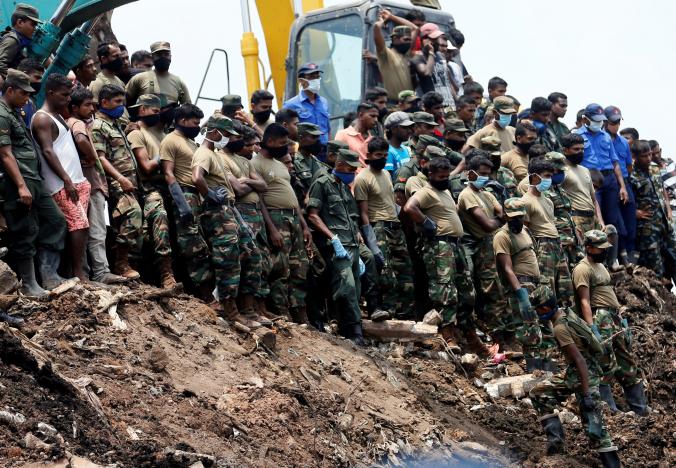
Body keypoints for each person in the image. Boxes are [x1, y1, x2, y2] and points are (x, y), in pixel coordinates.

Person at [527, 284, 622, 467]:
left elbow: (579, 360)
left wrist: (586, 394)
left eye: (538, 309)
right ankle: (556, 444)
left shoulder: (560, 328)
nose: (538, 313)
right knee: (539, 394)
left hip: (584, 375)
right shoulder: (566, 314)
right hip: (577, 373)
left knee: (596, 430)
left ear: (545, 308)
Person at [191, 113, 269, 328]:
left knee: (252, 255)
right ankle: (231, 312)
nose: (228, 138)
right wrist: (209, 194)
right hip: (218, 212)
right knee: (228, 260)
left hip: (229, 209)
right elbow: (197, 177)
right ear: (215, 132)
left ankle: (248, 310)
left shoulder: (214, 153)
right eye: (225, 134)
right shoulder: (204, 153)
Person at [0, 69, 66, 299]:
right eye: (23, 93)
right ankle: (29, 284)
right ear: (10, 90)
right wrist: (20, 186)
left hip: (34, 179)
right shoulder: (1, 113)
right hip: (19, 181)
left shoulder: (15, 112)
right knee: (25, 230)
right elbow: (5, 154)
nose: (27, 98)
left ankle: (48, 274)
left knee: (56, 220)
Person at [573, 229, 648, 418]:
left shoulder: (600, 266)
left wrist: (621, 320)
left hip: (613, 318)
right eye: (600, 249)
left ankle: (640, 410)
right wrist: (592, 328)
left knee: (627, 363)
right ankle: (611, 413)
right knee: (604, 364)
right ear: (589, 248)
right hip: (601, 318)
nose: (604, 251)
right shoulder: (582, 269)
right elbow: (584, 301)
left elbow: (608, 292)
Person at [403, 157, 476, 351]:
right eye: (441, 176)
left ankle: (466, 332)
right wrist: (426, 222)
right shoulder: (426, 192)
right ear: (431, 175)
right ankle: (447, 334)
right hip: (439, 246)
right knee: (445, 291)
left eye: (447, 176)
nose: (445, 179)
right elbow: (409, 207)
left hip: (455, 245)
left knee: (467, 291)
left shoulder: (445, 192)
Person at [31, 73, 90, 283]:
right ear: (51, 92)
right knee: (78, 224)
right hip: (60, 184)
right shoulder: (41, 118)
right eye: (64, 95)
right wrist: (66, 179)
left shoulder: (56, 115)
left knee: (78, 227)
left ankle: (73, 273)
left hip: (75, 181)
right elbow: (48, 152)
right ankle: (78, 274)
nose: (68, 99)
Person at [66, 87, 127, 285]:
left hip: (90, 185)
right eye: (87, 105)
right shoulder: (77, 123)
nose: (92, 108)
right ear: (75, 107)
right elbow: (81, 139)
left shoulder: (78, 122)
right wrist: (92, 157)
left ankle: (89, 273)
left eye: (92, 104)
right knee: (97, 231)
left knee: (89, 231)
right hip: (91, 186)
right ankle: (100, 272)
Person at [252, 123, 311, 321]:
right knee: (280, 268)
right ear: (270, 142)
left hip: (293, 217)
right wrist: (271, 229)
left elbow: (292, 196)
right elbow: (259, 200)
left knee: (299, 268)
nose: (285, 146)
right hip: (276, 218)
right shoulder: (256, 163)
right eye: (282, 143)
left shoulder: (279, 164)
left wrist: (304, 226)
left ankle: (300, 313)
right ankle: (281, 313)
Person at [307, 149, 365, 344]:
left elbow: (350, 216)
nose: (353, 173)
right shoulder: (322, 183)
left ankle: (347, 328)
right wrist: (333, 238)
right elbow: (313, 215)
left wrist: (356, 234)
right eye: (351, 169)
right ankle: (356, 332)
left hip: (352, 245)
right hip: (337, 247)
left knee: (355, 289)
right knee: (346, 286)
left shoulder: (343, 187)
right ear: (339, 165)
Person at [355, 137, 415, 320]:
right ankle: (388, 313)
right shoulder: (363, 179)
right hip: (378, 226)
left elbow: (391, 202)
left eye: (384, 155)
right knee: (386, 273)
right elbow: (363, 213)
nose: (382, 158)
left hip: (394, 226)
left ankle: (406, 315)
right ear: (369, 156)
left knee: (405, 270)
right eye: (378, 155)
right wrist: (371, 242)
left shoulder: (387, 174)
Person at [457, 155, 510, 352]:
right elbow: (488, 224)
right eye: (482, 174)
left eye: (488, 174)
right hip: (469, 244)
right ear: (470, 173)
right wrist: (499, 220)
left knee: (494, 289)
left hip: (486, 245)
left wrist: (499, 218)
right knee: (468, 287)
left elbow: (502, 212)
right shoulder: (467, 195)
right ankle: (467, 332)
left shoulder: (486, 194)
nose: (485, 178)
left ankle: (498, 336)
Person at [91, 84, 143, 280]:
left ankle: (128, 263)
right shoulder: (99, 126)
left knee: (130, 223)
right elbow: (101, 157)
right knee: (133, 214)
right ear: (104, 102)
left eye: (123, 102)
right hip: (116, 182)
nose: (122, 107)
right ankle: (121, 263)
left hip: (131, 182)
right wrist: (120, 178)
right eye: (117, 102)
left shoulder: (115, 125)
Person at [160, 103, 213, 296]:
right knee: (193, 247)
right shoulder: (170, 140)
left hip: (199, 196)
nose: (197, 126)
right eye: (195, 122)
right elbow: (168, 173)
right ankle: (205, 295)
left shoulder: (192, 143)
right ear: (182, 121)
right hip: (185, 194)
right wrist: (182, 204)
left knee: (205, 244)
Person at [126, 94, 177, 288]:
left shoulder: (162, 135)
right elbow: (146, 167)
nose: (159, 114)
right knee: (159, 219)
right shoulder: (136, 133)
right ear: (142, 110)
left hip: (168, 188)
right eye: (154, 111)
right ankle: (166, 274)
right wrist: (164, 155)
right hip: (148, 189)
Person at [493, 198, 545, 370]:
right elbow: (507, 268)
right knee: (528, 329)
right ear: (506, 217)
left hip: (535, 283)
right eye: (513, 217)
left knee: (542, 328)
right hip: (521, 284)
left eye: (520, 217)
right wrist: (521, 295)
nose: (517, 221)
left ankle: (544, 368)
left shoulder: (526, 231)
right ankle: (534, 369)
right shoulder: (502, 236)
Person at [522, 157, 574, 307]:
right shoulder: (526, 201)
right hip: (542, 245)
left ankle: (566, 321)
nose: (549, 180)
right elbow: (525, 230)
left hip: (556, 243)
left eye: (550, 176)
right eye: (546, 176)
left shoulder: (548, 200)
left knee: (565, 287)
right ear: (534, 177)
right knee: (546, 286)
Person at [574, 104, 628, 249]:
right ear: (585, 119)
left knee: (612, 217)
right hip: (590, 179)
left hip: (609, 179)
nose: (599, 123)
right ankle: (596, 251)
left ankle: (613, 258)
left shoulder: (605, 136)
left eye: (601, 120)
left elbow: (615, 162)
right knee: (595, 217)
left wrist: (622, 186)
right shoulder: (578, 136)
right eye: (596, 120)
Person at [630, 140, 676, 280]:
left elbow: (662, 191)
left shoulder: (655, 169)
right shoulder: (631, 176)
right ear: (635, 157)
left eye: (650, 154)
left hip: (665, 223)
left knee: (673, 258)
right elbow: (626, 202)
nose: (649, 158)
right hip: (648, 228)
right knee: (654, 267)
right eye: (645, 156)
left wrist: (668, 210)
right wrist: (635, 213)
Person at [604, 105, 636, 265]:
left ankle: (631, 262)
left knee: (630, 225)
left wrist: (624, 184)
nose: (616, 125)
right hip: (609, 183)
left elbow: (629, 165)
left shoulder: (623, 142)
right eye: (613, 122)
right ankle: (618, 261)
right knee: (617, 225)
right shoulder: (602, 139)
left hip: (624, 182)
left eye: (618, 122)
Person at [544, 152, 583, 267]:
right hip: (558, 242)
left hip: (571, 240)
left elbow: (567, 213)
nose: (561, 174)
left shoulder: (559, 188)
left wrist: (576, 232)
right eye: (558, 171)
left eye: (562, 171)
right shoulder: (543, 190)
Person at [125, 41, 191, 108]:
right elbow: (122, 101)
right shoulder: (140, 78)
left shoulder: (178, 82)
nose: (163, 57)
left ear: (170, 57)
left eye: (166, 54)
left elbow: (189, 109)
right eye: (159, 55)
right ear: (152, 57)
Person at [373, 9, 418, 101]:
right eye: (405, 40)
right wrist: (378, 25)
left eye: (410, 40)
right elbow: (377, 31)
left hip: (411, 103)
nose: (409, 43)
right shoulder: (386, 54)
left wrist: (391, 17)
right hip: (394, 104)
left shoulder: (407, 54)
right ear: (395, 39)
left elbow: (415, 29)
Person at [283, 62, 330, 149]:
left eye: (317, 76)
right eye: (311, 77)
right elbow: (285, 132)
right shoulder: (291, 104)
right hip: (305, 152)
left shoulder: (324, 102)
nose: (316, 80)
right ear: (301, 80)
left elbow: (328, 129)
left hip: (325, 151)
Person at [410, 27, 454, 107]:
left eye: (437, 39)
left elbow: (447, 81)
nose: (436, 42)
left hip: (447, 104)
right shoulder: (418, 58)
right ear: (424, 40)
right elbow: (427, 73)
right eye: (433, 39)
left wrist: (455, 99)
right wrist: (431, 52)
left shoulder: (441, 56)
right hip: (430, 106)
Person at [0, 4, 41, 79]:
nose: (35, 29)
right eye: (33, 25)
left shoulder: (24, 41)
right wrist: (20, 77)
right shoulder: (12, 40)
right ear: (20, 23)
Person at [292, 122, 329, 197]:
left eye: (318, 137)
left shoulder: (315, 160)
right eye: (313, 137)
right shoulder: (293, 160)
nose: (318, 140)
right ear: (301, 137)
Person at [384, 111, 414, 176]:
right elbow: (388, 178)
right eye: (405, 127)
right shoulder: (388, 152)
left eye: (409, 127)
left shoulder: (405, 148)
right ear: (393, 129)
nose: (409, 131)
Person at [16, 58, 43, 126]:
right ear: (24, 75)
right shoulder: (8, 97)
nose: (39, 82)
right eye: (37, 77)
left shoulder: (31, 102)